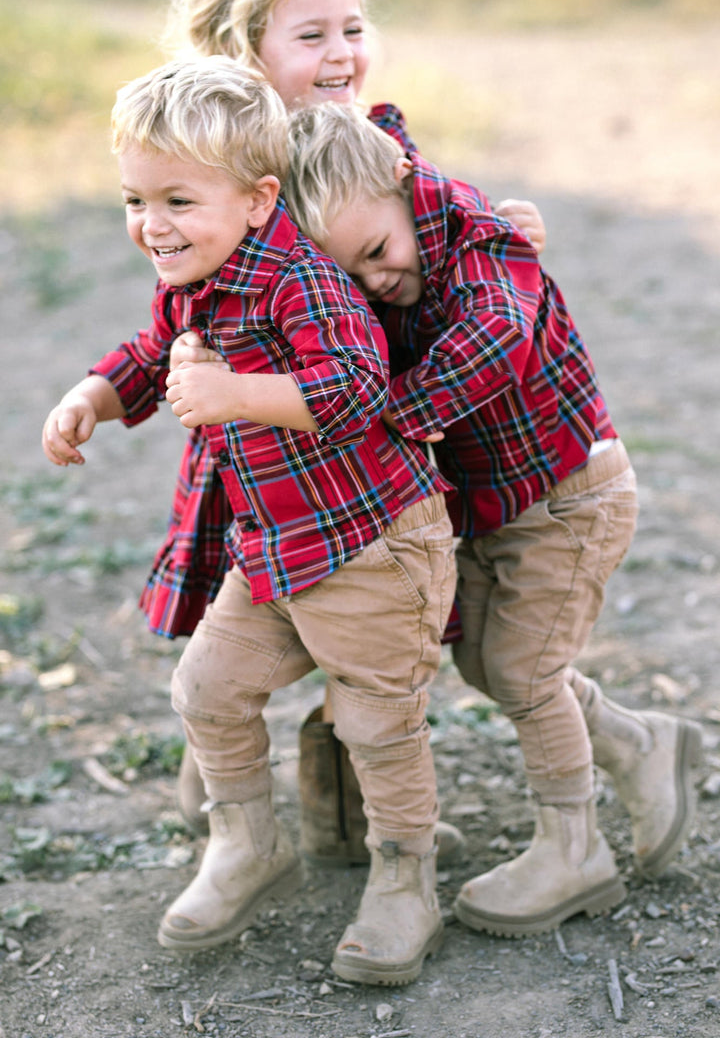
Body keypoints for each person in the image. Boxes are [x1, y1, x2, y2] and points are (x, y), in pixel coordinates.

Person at [41, 57, 458, 986]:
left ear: (260, 199)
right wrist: (95, 394)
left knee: (376, 722)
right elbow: (155, 352)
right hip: (274, 549)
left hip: (372, 545)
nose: (152, 225)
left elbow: (357, 388)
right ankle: (245, 843)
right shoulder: (194, 277)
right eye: (133, 199)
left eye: (178, 200)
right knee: (206, 689)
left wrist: (235, 390)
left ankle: (405, 876)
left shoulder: (299, 281)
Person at [156, 0, 547, 865]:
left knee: (363, 628)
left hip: (364, 445)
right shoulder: (220, 174)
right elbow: (176, 288)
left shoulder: (373, 147)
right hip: (261, 447)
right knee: (250, 611)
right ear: (237, 51)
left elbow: (429, 241)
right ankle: (223, 779)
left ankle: (351, 815)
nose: (342, 55)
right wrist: (161, 361)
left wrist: (498, 229)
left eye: (353, 30)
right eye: (311, 35)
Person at [281, 100, 705, 936]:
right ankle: (637, 744)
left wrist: (392, 411)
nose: (377, 282)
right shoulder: (381, 235)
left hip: (571, 494)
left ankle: (573, 849)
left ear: (403, 184)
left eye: (379, 254)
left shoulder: (480, 239)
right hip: (505, 505)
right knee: (483, 657)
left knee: (522, 671)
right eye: (353, 275)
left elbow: (497, 335)